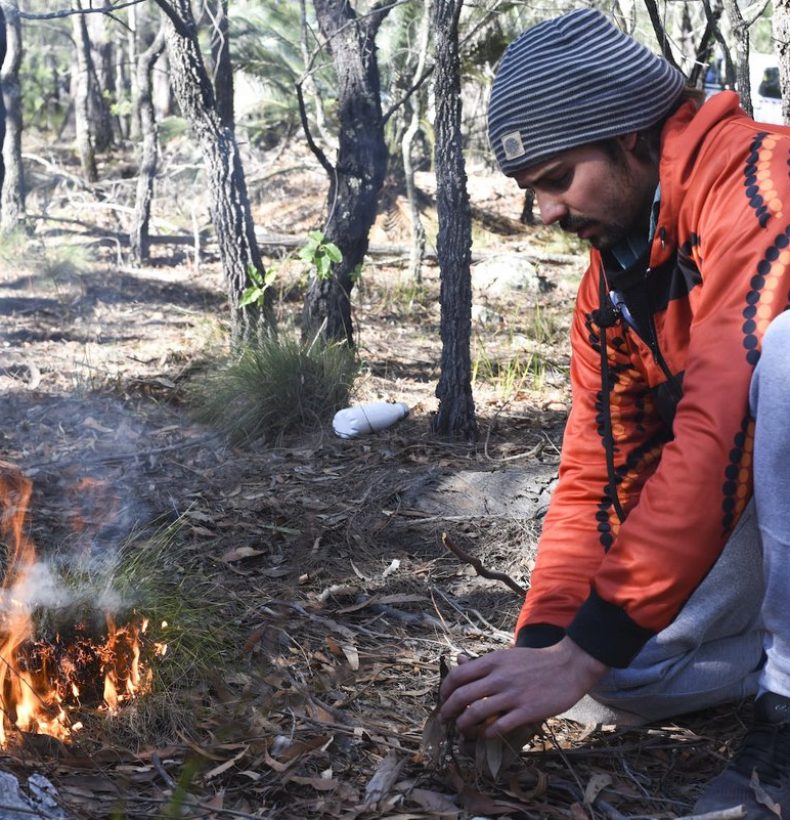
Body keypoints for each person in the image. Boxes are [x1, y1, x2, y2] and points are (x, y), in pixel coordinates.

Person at [438, 9, 790, 817]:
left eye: (558, 178)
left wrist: (583, 649)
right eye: (533, 193)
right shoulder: (615, 281)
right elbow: (598, 474)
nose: (546, 213)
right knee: (614, 670)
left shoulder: (761, 184)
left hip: (760, 443)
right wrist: (548, 646)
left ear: (631, 138)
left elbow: (722, 424)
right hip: (771, 503)